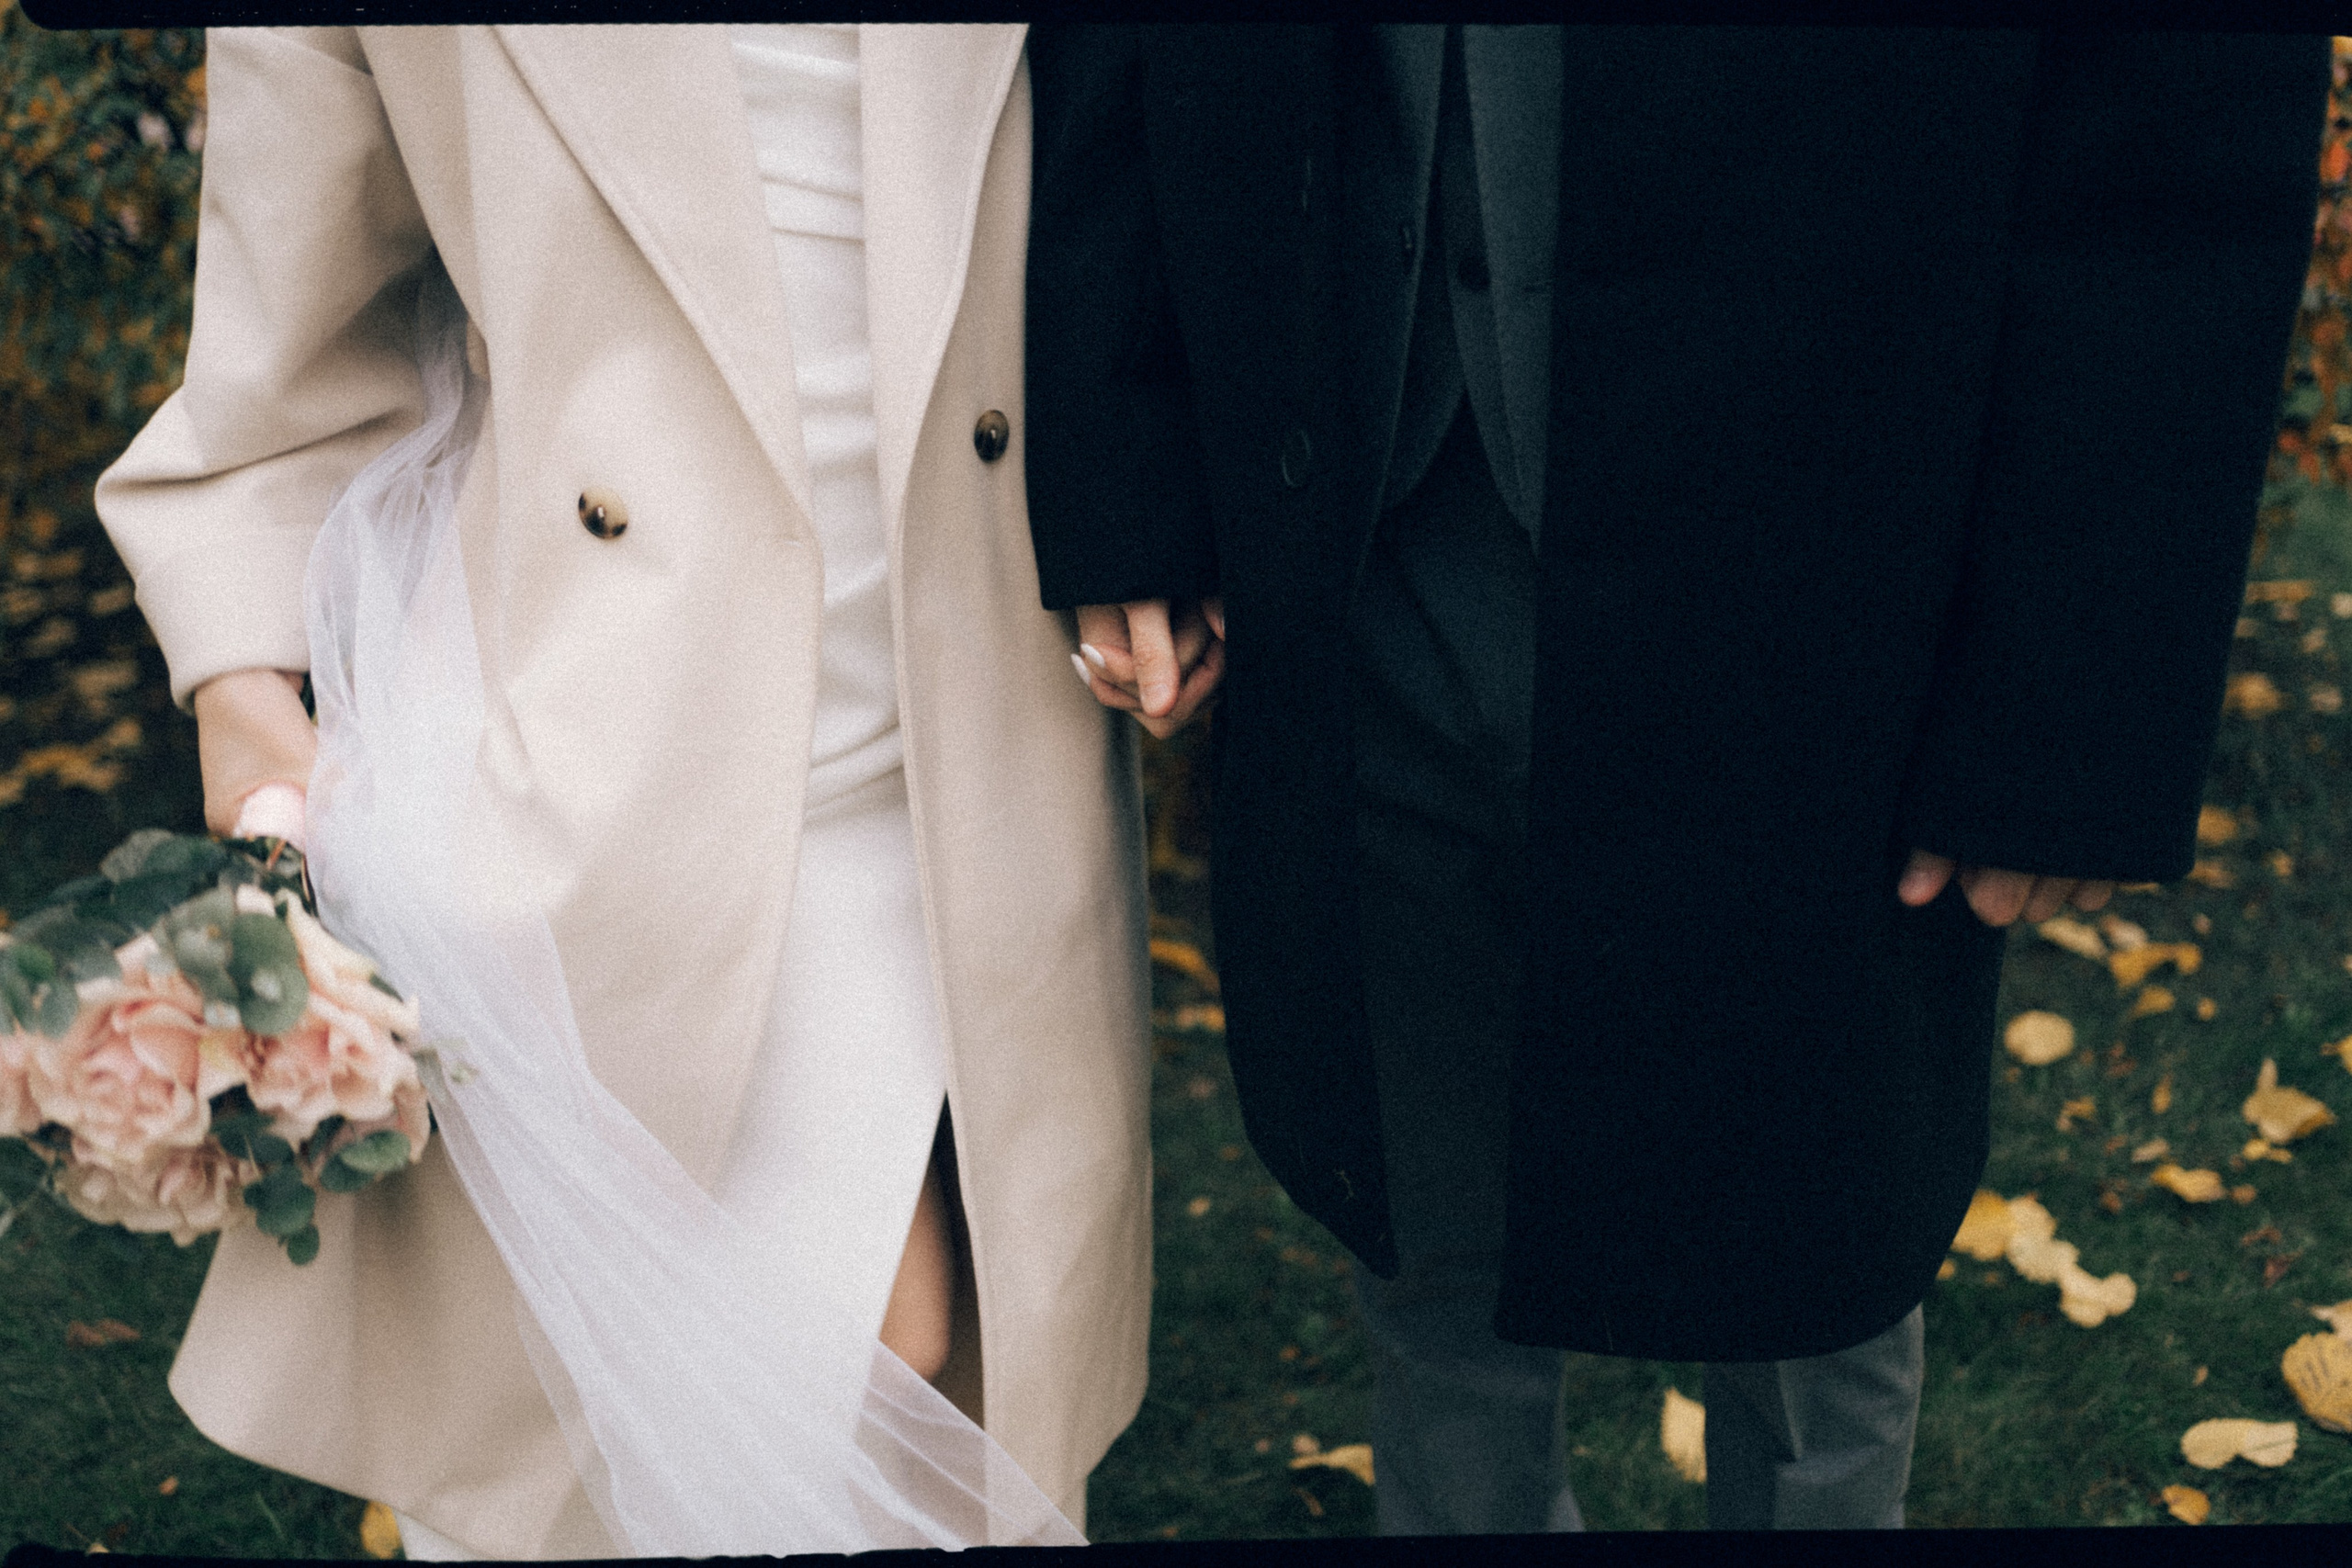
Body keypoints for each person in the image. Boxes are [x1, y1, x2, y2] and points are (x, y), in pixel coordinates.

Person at [1025, 23, 2327, 1532]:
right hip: (1367, 526)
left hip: (1831, 580)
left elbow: (2182, 104)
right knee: (1432, 1275)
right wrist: (1132, 475)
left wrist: (2074, 702)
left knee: (1809, 1285)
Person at [96, 22, 1149, 1557]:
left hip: (954, 755)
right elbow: (285, 367)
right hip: (581, 761)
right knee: (590, 1472)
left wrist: (1159, 527)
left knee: (920, 1390)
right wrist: (248, 709)